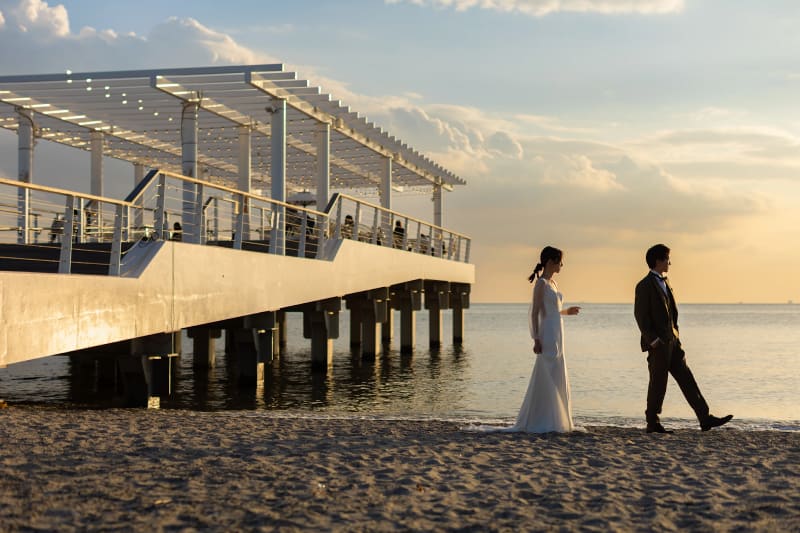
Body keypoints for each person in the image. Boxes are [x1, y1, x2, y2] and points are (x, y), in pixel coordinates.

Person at [634, 244, 733, 434]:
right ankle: (652, 422)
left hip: (673, 341)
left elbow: (672, 313)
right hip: (658, 344)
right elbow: (640, 315)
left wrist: (676, 335)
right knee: (658, 383)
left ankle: (705, 418)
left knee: (687, 379)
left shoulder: (666, 281)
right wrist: (653, 340)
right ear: (658, 260)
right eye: (667, 259)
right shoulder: (644, 285)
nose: (670, 262)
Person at [511, 246, 581, 433]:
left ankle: (558, 418)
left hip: (558, 330)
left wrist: (568, 312)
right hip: (547, 333)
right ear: (550, 262)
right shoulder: (541, 284)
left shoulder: (554, 283)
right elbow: (535, 313)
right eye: (560, 261)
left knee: (557, 370)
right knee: (547, 370)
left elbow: (555, 311)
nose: (562, 265)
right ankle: (544, 418)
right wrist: (535, 338)